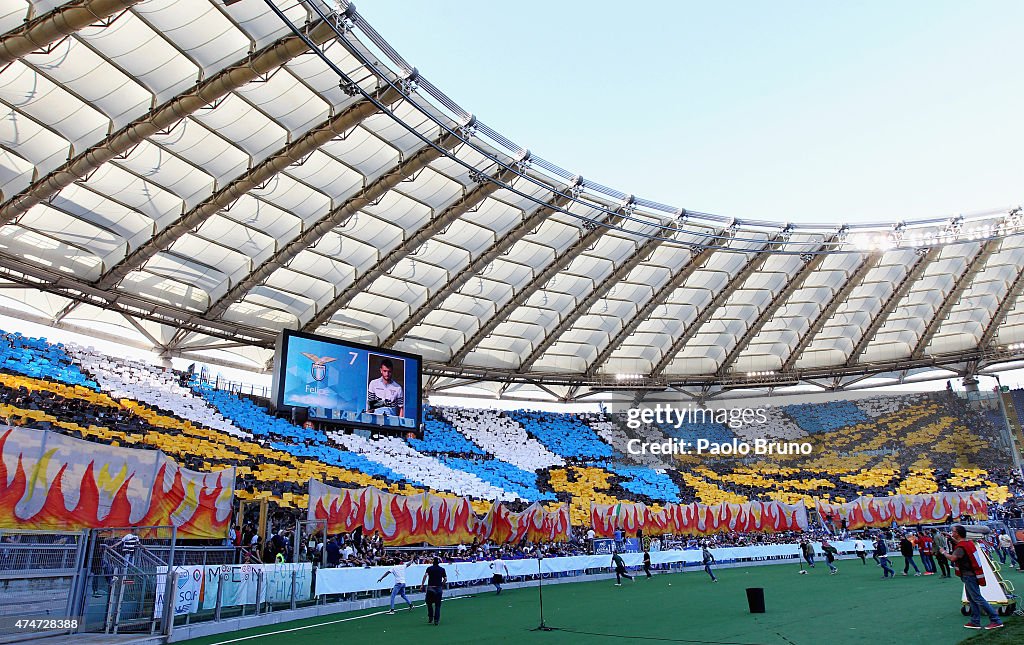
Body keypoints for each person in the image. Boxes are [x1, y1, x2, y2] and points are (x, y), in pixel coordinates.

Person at [941, 525, 1003, 630]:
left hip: (968, 575)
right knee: (972, 599)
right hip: (972, 574)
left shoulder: (961, 547)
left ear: (958, 533)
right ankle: (975, 621)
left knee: (977, 598)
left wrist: (943, 552)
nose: (952, 533)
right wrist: (950, 538)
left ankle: (995, 620)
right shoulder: (968, 543)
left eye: (953, 532)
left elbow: (953, 558)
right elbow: (961, 546)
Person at [420, 557, 447, 626]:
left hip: (430, 588)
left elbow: (425, 576)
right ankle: (436, 620)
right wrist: (442, 584)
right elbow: (445, 579)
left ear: (433, 562)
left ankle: (430, 617)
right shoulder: (442, 569)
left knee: (429, 604)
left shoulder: (429, 568)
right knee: (438, 605)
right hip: (438, 588)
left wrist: (422, 585)